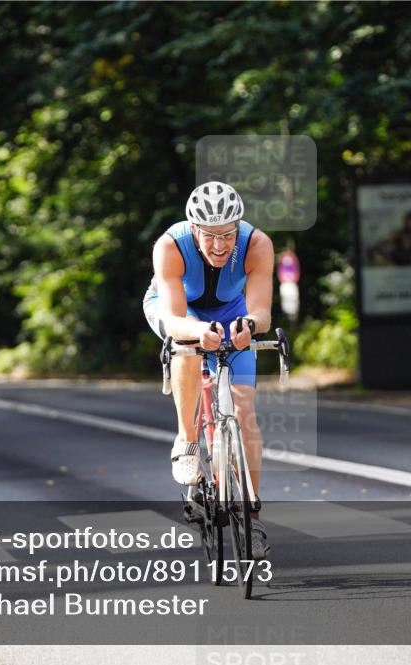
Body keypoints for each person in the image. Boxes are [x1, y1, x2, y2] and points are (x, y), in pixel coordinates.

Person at [143, 181, 275, 560]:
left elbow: (261, 311)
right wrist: (200, 331)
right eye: (210, 236)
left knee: (244, 410)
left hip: (232, 313)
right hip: (180, 313)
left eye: (228, 235)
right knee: (186, 348)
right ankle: (186, 439)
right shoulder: (170, 246)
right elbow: (173, 317)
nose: (220, 246)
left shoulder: (257, 244)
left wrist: (248, 324)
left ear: (239, 227)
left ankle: (250, 511)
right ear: (194, 230)